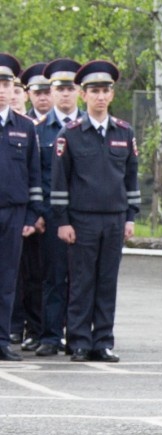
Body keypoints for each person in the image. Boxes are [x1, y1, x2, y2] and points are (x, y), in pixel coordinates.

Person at [50, 59, 140, 363]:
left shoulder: (124, 132)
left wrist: (130, 217)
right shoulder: (70, 134)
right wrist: (62, 221)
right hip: (82, 219)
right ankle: (78, 341)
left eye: (105, 91)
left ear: (112, 95)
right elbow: (60, 181)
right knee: (81, 282)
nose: (100, 97)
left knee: (106, 282)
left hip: (114, 219)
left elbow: (131, 178)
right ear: (83, 95)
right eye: (94, 91)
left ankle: (102, 341)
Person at [35, 58, 81, 357]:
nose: (64, 94)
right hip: (53, 215)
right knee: (53, 278)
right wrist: (39, 211)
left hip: (85, 215)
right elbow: (36, 174)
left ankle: (77, 337)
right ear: (51, 92)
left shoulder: (87, 127)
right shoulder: (38, 130)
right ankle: (50, 335)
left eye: (69, 88)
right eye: (59, 89)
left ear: (79, 91)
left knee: (82, 279)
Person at [0, 53, 44, 362]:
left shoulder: (25, 128)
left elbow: (34, 175)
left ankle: (2, 341)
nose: (1, 89)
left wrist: (32, 214)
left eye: (6, 83)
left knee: (7, 280)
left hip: (13, 214)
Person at [12, 63, 53, 353]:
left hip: (45, 215)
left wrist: (40, 213)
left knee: (42, 276)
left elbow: (39, 175)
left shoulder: (53, 127)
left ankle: (39, 329)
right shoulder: (21, 125)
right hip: (20, 212)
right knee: (18, 276)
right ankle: (16, 328)